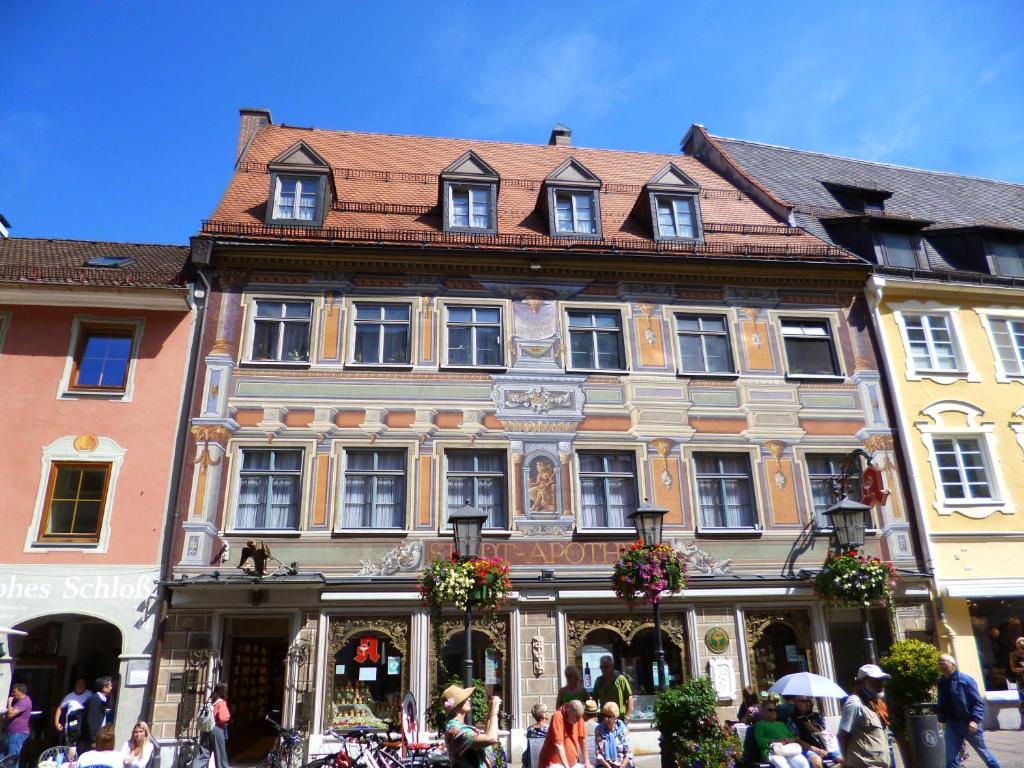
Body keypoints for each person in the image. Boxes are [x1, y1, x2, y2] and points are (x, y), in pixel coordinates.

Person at [936, 654, 1001, 768]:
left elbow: (978, 702)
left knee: (984, 753)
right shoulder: (941, 682)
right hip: (952, 724)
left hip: (968, 724)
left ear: (953, 665)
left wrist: (974, 720)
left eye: (944, 663)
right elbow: (942, 701)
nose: (941, 666)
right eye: (939, 663)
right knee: (951, 758)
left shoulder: (965, 680)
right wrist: (941, 718)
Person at [838, 664, 890, 768]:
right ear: (862, 683)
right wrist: (846, 762)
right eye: (876, 681)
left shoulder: (875, 704)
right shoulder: (854, 702)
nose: (881, 684)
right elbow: (842, 735)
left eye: (882, 680)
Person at [441, 684, 500, 768]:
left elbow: (486, 738)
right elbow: (491, 739)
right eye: (464, 698)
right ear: (456, 705)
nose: (469, 698)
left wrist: (490, 711)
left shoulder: (458, 727)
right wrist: (494, 711)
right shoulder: (455, 730)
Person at [753, 698, 809, 768]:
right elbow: (760, 740)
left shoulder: (781, 724)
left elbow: (793, 737)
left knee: (803, 764)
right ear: (764, 712)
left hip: (788, 749)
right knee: (783, 766)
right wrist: (776, 741)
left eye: (775, 710)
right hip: (773, 751)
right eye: (770, 710)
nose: (774, 712)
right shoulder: (760, 724)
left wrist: (789, 740)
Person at [788, 696, 840, 768]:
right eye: (803, 701)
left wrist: (813, 729)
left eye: (808, 700)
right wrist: (817, 750)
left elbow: (827, 733)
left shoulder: (817, 715)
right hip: (807, 748)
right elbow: (797, 740)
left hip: (826, 746)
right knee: (817, 762)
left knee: (843, 759)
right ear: (795, 702)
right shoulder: (792, 719)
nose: (807, 703)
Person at [539, 700, 590, 768]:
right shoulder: (558, 716)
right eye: (576, 717)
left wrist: (587, 762)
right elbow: (559, 745)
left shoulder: (578, 717)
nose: (578, 720)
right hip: (552, 763)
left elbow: (582, 740)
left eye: (579, 717)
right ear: (569, 710)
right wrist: (566, 766)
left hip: (572, 764)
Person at [194, 682, 230, 768]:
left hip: (205, 729)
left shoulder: (209, 700)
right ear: (224, 691)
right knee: (220, 755)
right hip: (216, 729)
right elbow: (223, 718)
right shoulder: (221, 702)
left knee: (203, 754)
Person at [592, 657, 633, 722]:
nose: (603, 669)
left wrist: (627, 716)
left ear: (612, 666)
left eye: (606, 667)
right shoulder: (599, 681)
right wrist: (594, 716)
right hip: (604, 718)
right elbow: (594, 699)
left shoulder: (620, 679)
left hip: (620, 717)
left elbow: (629, 698)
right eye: (601, 667)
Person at [81, 676, 115, 752]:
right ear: (104, 688)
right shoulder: (95, 701)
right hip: (91, 742)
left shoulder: (101, 700)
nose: (111, 688)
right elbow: (93, 722)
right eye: (110, 686)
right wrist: (95, 740)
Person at [594, 702, 632, 768]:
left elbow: (628, 753)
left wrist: (622, 766)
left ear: (615, 717)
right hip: (605, 765)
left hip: (621, 764)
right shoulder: (599, 729)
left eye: (609, 716)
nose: (606, 719)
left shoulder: (623, 729)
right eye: (605, 715)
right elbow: (599, 754)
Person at [54, 678, 93, 743]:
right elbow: (59, 708)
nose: (80, 686)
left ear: (85, 686)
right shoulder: (69, 696)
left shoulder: (89, 694)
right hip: (71, 725)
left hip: (84, 726)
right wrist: (56, 723)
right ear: (75, 685)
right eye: (78, 684)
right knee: (70, 747)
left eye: (82, 684)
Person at [5, 683, 32, 759]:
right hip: (12, 732)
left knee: (12, 758)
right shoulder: (20, 701)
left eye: (14, 692)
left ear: (21, 691)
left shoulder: (24, 702)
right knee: (4, 757)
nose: (12, 694)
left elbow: (10, 715)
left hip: (18, 733)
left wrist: (9, 703)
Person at [1009, 637, 1024, 730]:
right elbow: (1013, 668)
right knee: (1022, 702)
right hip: (1021, 681)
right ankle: (1023, 723)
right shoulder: (1013, 655)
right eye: (1020, 646)